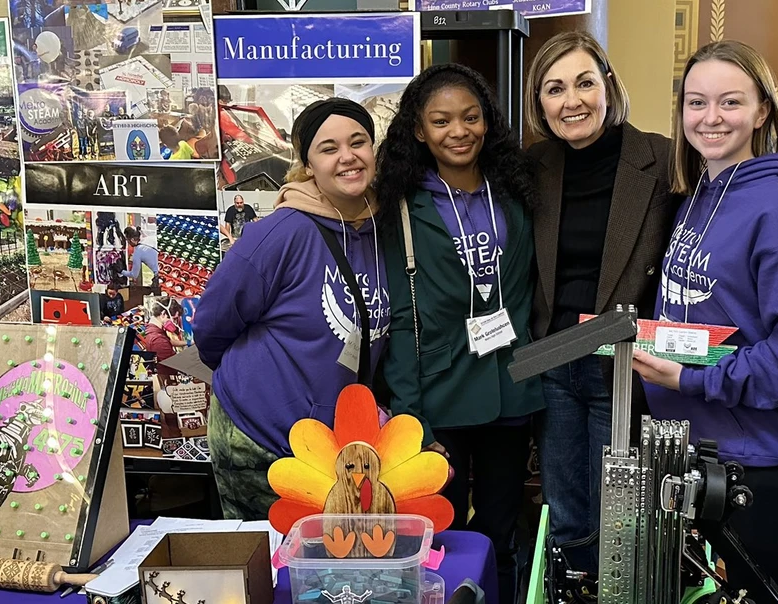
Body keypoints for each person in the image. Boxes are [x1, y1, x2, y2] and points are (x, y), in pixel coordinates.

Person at [629, 40, 778, 603]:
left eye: (729, 102)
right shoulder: (698, 195)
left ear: (763, 111)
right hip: (696, 444)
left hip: (757, 458)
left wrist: (688, 379)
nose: (710, 118)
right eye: (696, 103)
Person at [375, 64, 543, 604]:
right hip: (440, 394)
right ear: (419, 130)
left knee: (502, 531)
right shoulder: (401, 205)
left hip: (511, 387)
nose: (459, 131)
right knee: (438, 533)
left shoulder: (514, 191)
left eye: (471, 117)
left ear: (487, 122)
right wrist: (412, 418)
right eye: (441, 120)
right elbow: (403, 320)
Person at [521, 31, 681, 573]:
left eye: (585, 82)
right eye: (554, 88)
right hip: (550, 360)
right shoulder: (533, 165)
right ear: (539, 102)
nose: (572, 101)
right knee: (564, 511)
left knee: (620, 519)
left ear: (609, 85)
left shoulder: (661, 157)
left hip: (622, 362)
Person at [193, 98, 388, 520]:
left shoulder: (384, 229)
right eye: (329, 148)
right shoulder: (281, 233)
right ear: (307, 165)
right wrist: (266, 388)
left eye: (358, 142)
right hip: (259, 438)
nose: (348, 157)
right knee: (271, 572)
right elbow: (211, 325)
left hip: (331, 448)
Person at [122, 226, 159, 306]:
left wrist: (121, 271)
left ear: (132, 240)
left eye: (127, 241)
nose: (128, 243)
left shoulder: (138, 251)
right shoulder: (151, 238)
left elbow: (134, 275)